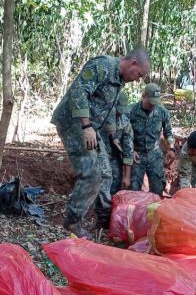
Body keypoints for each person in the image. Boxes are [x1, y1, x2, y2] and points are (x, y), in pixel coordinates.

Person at [52, 48, 151, 237]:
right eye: (139, 74)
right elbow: (79, 91)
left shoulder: (118, 81)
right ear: (133, 63)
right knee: (91, 173)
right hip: (74, 122)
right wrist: (86, 126)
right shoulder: (103, 65)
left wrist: (112, 137)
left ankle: (103, 219)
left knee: (105, 173)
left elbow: (104, 110)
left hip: (91, 128)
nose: (138, 79)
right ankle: (73, 222)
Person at [129, 83, 174, 196]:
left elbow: (168, 132)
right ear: (143, 96)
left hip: (155, 155)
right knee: (134, 189)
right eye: (150, 102)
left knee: (157, 189)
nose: (153, 105)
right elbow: (124, 134)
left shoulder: (162, 111)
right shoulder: (132, 111)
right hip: (137, 155)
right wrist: (131, 151)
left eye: (155, 102)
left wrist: (171, 148)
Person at [102, 92, 134, 195]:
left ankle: (109, 205)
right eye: (117, 110)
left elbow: (128, 148)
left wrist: (127, 176)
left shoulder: (124, 122)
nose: (119, 113)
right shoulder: (99, 116)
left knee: (115, 181)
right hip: (97, 154)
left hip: (114, 156)